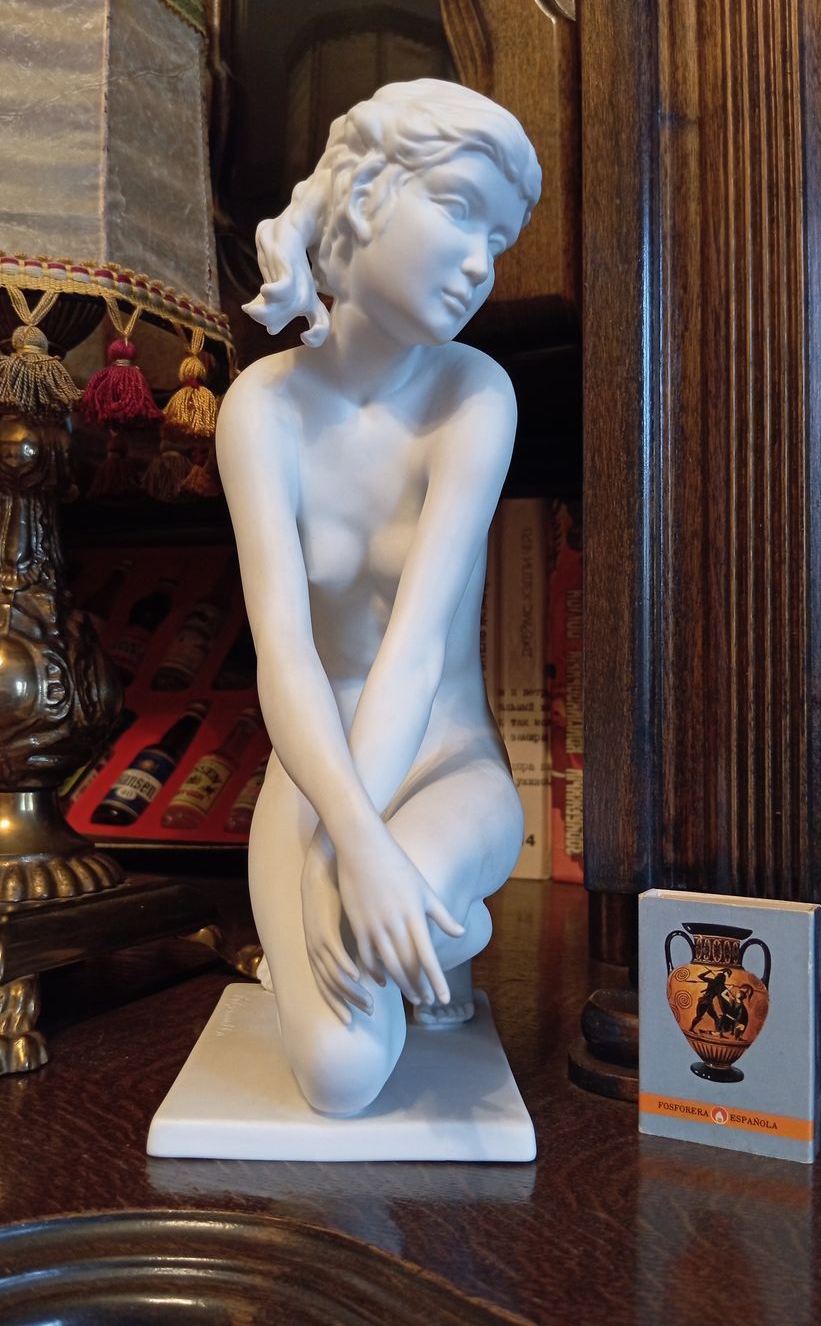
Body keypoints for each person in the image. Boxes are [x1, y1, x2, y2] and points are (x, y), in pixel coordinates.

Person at [216, 79, 542, 1115]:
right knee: (343, 1077)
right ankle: (440, 940)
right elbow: (283, 656)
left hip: (446, 766)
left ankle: (441, 917)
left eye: (500, 239)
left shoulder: (473, 396)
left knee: (384, 918)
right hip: (316, 777)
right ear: (363, 195)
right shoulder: (261, 410)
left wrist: (361, 856)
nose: (482, 262)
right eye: (459, 211)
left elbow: (413, 648)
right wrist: (347, 838)